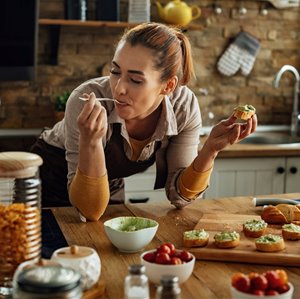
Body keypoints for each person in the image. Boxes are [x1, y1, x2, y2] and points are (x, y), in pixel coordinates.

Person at [31, 22, 257, 221]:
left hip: (107, 180)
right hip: (51, 175)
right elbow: (88, 210)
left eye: (136, 80)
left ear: (168, 86)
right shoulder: (86, 100)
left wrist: (209, 150)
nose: (118, 89)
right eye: (115, 71)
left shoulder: (183, 107)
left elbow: (180, 197)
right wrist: (90, 142)